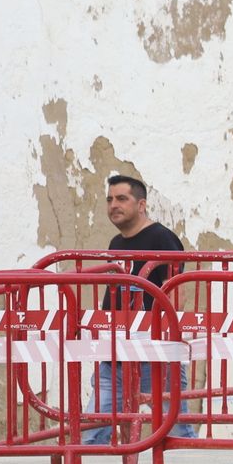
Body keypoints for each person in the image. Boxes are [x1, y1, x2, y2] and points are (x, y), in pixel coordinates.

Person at [84, 174, 196, 445]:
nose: (114, 205)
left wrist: (164, 341)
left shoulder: (162, 238)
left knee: (177, 432)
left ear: (142, 204)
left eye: (122, 198)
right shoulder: (116, 243)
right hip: (116, 356)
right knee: (93, 433)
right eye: (110, 199)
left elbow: (176, 293)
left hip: (154, 355)